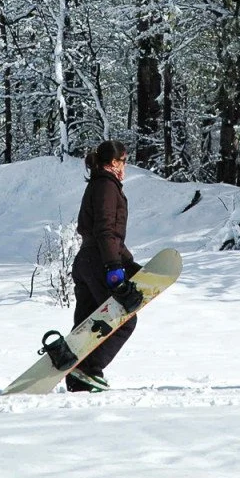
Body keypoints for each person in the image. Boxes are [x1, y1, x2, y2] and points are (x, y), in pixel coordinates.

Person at [66, 140, 142, 392]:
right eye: (123, 160)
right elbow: (106, 229)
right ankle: (89, 369)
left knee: (86, 325)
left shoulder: (100, 185)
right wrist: (113, 265)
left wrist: (128, 263)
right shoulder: (107, 187)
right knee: (123, 320)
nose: (125, 166)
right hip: (99, 261)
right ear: (113, 162)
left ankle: (77, 375)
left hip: (86, 261)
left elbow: (105, 234)